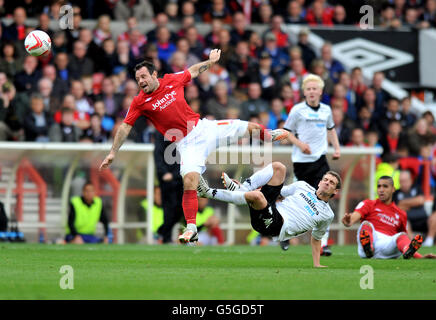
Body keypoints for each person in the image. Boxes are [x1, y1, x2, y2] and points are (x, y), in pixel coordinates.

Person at [99, 49, 289, 244]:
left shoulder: (171, 80)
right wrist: (113, 152)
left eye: (143, 76)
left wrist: (211, 61)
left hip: (203, 128)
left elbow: (193, 71)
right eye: (137, 78)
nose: (140, 81)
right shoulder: (139, 101)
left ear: (154, 75)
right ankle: (191, 228)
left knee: (251, 127)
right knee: (189, 180)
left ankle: (269, 135)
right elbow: (124, 126)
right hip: (186, 143)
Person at [197, 162, 342, 268]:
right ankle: (243, 188)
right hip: (270, 209)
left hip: (276, 226)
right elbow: (277, 192)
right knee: (279, 168)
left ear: (335, 191)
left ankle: (207, 192)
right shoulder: (302, 186)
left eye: (332, 183)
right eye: (325, 180)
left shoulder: (327, 214)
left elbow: (316, 238)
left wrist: (317, 264)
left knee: (258, 197)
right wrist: (254, 190)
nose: (327, 183)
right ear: (320, 182)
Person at [282, 74, 341, 253]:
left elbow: (331, 129)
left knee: (325, 197)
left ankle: (323, 243)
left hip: (320, 159)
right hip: (301, 161)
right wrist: (300, 144)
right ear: (304, 92)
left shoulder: (326, 110)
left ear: (321, 91)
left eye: (315, 88)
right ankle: (284, 234)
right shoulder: (297, 110)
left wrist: (337, 148)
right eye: (308, 89)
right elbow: (286, 132)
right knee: (296, 199)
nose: (312, 91)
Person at [342, 176, 436, 259]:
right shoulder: (369, 204)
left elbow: (404, 239)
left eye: (385, 186)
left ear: (393, 189)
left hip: (387, 246)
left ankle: (406, 251)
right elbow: (352, 219)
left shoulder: (401, 214)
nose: (381, 190)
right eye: (379, 186)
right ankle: (368, 247)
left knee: (402, 235)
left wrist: (420, 257)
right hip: (370, 240)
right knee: (366, 224)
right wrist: (348, 221)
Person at [153, 131, 184, 243]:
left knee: (181, 208)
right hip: (167, 178)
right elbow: (158, 154)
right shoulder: (162, 132)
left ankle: (162, 230)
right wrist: (163, 173)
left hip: (181, 176)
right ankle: (166, 238)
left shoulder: (184, 131)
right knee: (169, 208)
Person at [393, 170, 436, 247]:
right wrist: (413, 202)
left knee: (435, 217)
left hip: (423, 220)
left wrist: (403, 203)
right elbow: (397, 208)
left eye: (405, 181)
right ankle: (412, 243)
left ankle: (429, 240)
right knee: (403, 220)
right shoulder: (396, 193)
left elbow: (420, 200)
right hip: (407, 221)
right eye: (401, 181)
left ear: (410, 180)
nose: (403, 184)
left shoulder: (417, 188)